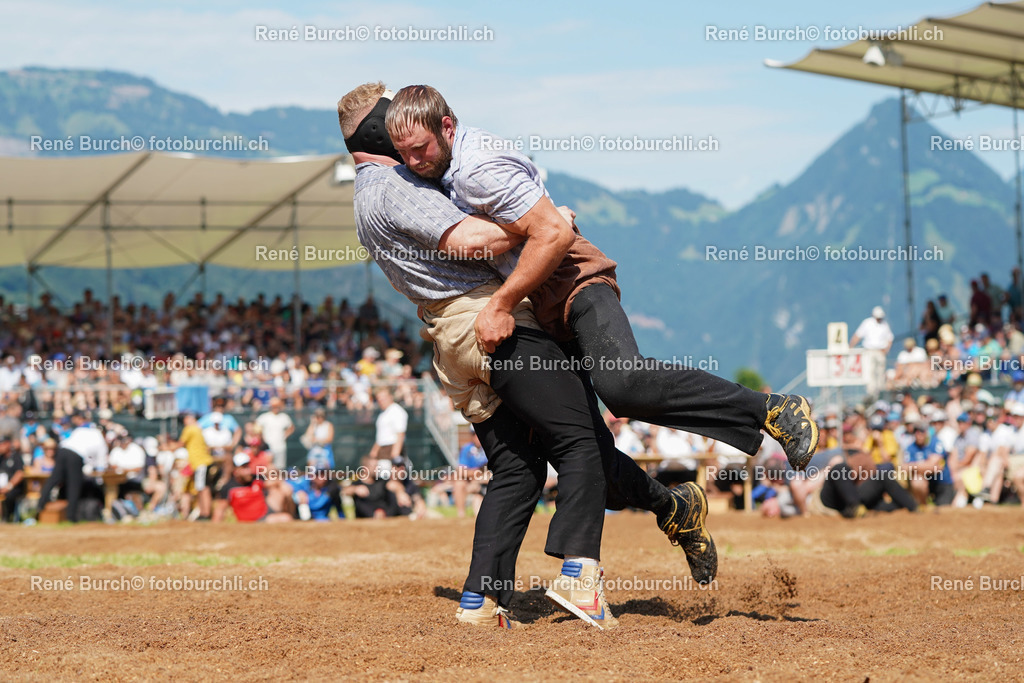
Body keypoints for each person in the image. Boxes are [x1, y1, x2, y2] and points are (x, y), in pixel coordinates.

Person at [340, 83, 721, 631]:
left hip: (449, 345)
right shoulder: (393, 184)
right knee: (580, 442)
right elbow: (474, 240)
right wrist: (545, 222)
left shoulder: (365, 195)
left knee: (517, 468)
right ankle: (581, 577)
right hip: (490, 328)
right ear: (380, 130)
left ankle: (480, 598)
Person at [385, 84, 817, 471]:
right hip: (538, 297)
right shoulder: (442, 164)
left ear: (446, 126)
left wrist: (498, 304)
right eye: (403, 153)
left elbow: (553, 233)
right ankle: (676, 511)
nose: (413, 161)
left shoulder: (477, 167)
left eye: (420, 148)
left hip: (573, 278)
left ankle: (773, 409)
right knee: (579, 439)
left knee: (622, 383)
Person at [36, 411, 107, 523]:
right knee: (74, 486)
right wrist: (99, 476)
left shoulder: (81, 430)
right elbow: (101, 463)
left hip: (62, 451)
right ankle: (71, 517)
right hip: (75, 456)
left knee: (53, 480)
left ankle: (39, 507)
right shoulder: (100, 438)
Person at [212, 452, 293, 523]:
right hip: (251, 520)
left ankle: (293, 514)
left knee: (282, 489)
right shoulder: (229, 487)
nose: (248, 470)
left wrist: (281, 483)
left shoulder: (256, 479)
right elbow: (220, 509)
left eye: (248, 466)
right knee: (286, 518)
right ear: (236, 471)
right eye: (244, 468)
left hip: (265, 512)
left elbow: (272, 481)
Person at [255, 397, 294, 470]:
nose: (275, 408)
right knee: (267, 467)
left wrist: (285, 435)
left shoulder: (284, 417)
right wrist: (261, 437)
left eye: (277, 406)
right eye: (274, 406)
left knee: (280, 468)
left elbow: (291, 427)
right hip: (268, 447)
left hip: (280, 446)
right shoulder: (265, 417)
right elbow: (256, 427)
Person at [370, 389, 406, 461]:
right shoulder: (383, 413)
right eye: (379, 398)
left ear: (390, 397)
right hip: (382, 450)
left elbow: (400, 434)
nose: (381, 400)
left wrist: (395, 455)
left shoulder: (397, 411)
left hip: (390, 449)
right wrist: (375, 450)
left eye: (383, 398)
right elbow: (381, 436)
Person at [0, 434, 25, 522]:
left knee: (9, 496)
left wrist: (9, 486)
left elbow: (20, 473)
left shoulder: (16, 456)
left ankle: (8, 518)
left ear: (7, 444)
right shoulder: (1, 458)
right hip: (2, 486)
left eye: (1, 444)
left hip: (14, 488)